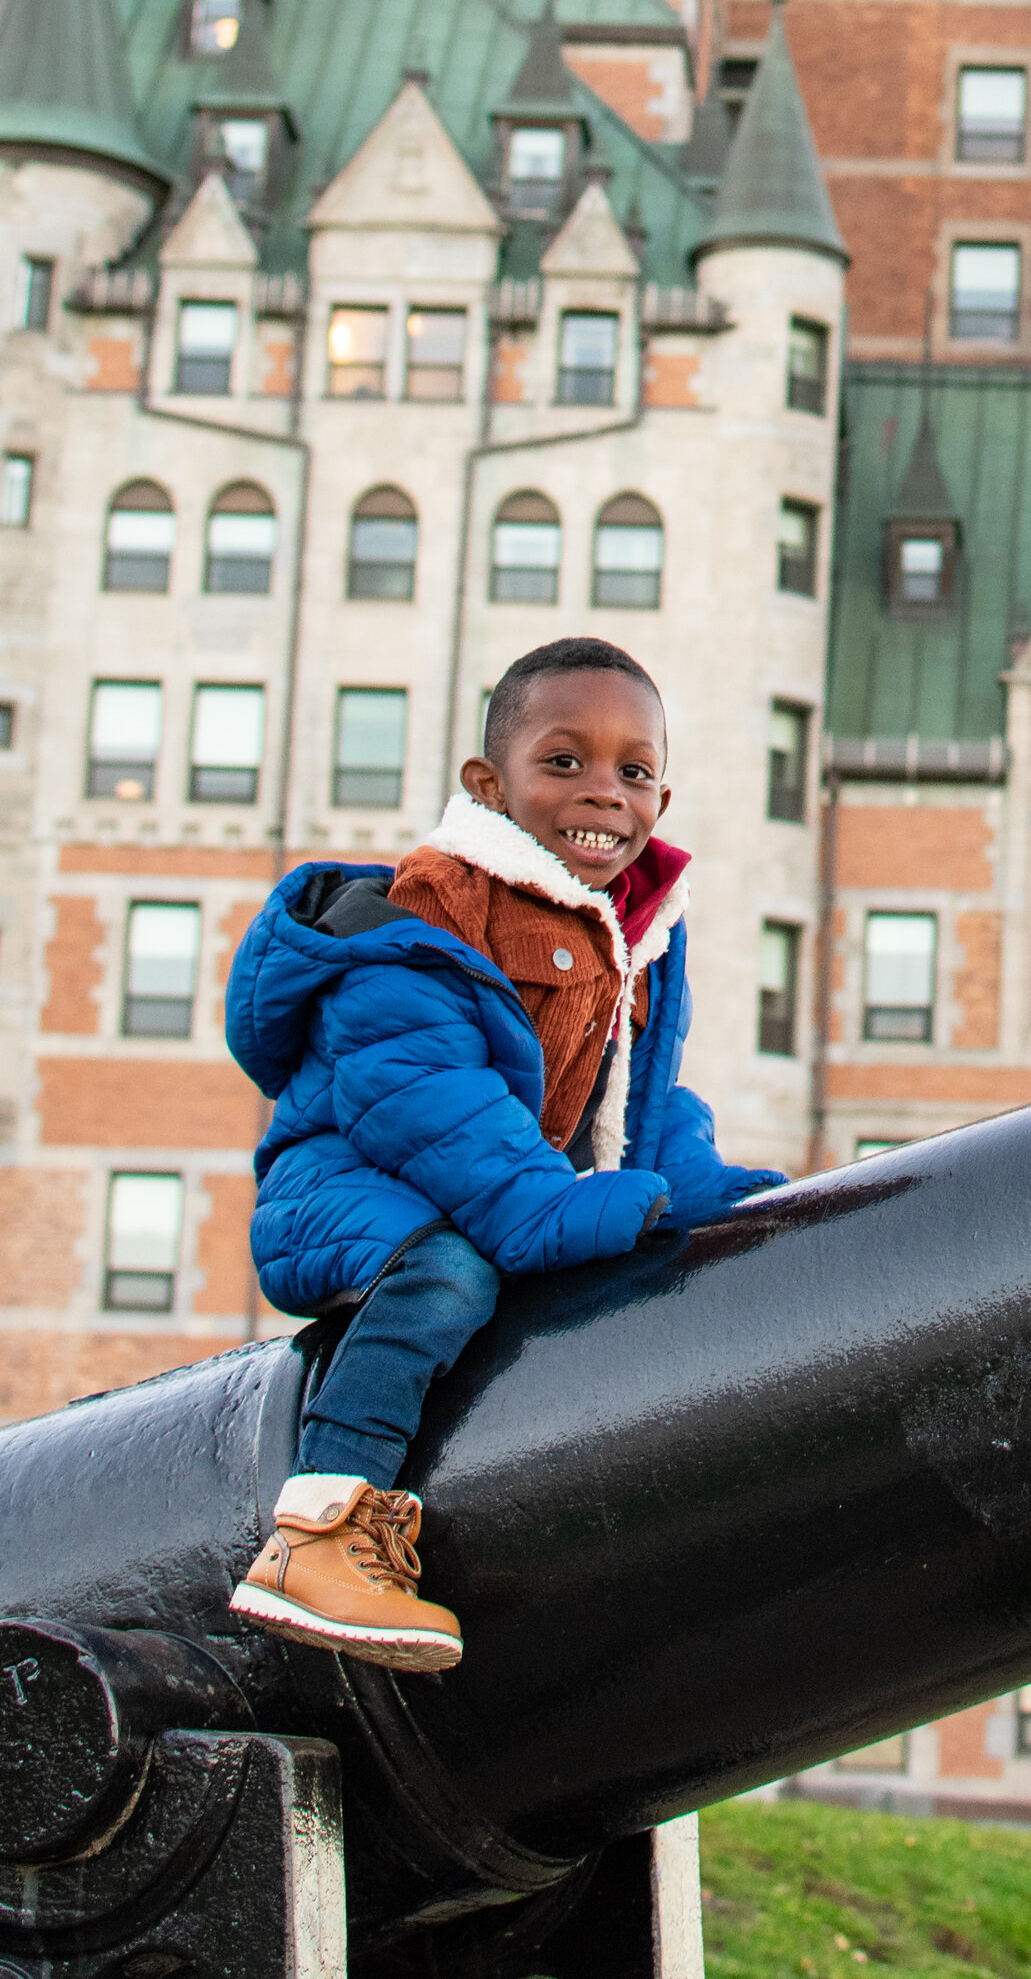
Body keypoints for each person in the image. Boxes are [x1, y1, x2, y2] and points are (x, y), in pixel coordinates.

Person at [221, 634, 781, 1672]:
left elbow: (634, 1094)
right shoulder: (444, 899)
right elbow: (418, 1087)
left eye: (634, 770)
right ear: (491, 784)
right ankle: (321, 1533)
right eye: (563, 762)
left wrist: (691, 1186)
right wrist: (538, 1210)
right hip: (349, 1176)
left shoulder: (635, 930)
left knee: (518, 1268)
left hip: (482, 1178)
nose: (603, 792)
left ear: (662, 796)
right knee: (444, 1273)